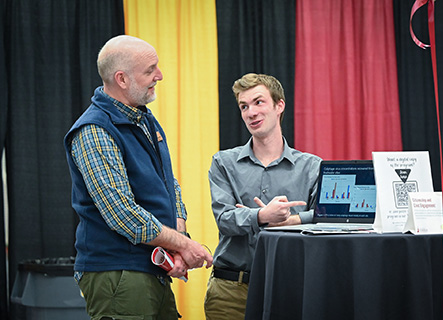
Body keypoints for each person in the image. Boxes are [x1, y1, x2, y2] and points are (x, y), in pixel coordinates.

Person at [64, 35, 213, 320]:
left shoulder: (144, 119)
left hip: (149, 269)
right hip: (118, 275)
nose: (159, 75)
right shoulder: (94, 130)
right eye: (150, 70)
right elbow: (122, 214)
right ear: (121, 78)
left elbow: (169, 185)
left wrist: (178, 242)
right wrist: (184, 245)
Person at [204, 73, 322, 319]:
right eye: (244, 106)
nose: (251, 113)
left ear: (280, 106)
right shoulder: (223, 162)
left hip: (291, 288)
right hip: (231, 292)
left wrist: (293, 220)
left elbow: (326, 219)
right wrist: (261, 216)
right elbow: (225, 219)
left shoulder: (311, 166)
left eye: (259, 102)